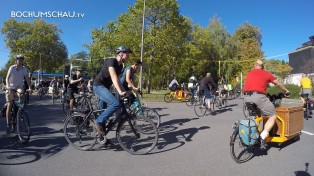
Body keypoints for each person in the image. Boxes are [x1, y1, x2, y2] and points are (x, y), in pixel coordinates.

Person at [243, 59, 289, 150]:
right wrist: (286, 90)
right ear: (262, 67)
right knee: (272, 115)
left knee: (258, 114)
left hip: (246, 97)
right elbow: (277, 83)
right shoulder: (266, 73)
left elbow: (246, 85)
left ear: (254, 66)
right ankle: (263, 137)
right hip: (258, 97)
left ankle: (252, 133)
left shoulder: (249, 73)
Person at [93, 46, 131, 136]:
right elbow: (113, 77)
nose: (128, 57)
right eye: (127, 55)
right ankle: (98, 122)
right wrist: (120, 92)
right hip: (98, 86)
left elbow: (118, 81)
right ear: (121, 54)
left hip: (105, 88)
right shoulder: (111, 61)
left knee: (103, 112)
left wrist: (125, 91)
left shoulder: (120, 66)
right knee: (116, 104)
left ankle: (101, 136)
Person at [5, 55, 32, 134]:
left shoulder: (24, 69)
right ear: (16, 60)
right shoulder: (12, 68)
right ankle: (8, 124)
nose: (20, 61)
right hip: (10, 87)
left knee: (21, 94)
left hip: (19, 87)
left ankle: (19, 113)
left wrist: (30, 87)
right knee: (9, 105)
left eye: (21, 60)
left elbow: (27, 78)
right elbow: (7, 78)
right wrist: (7, 86)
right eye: (19, 60)